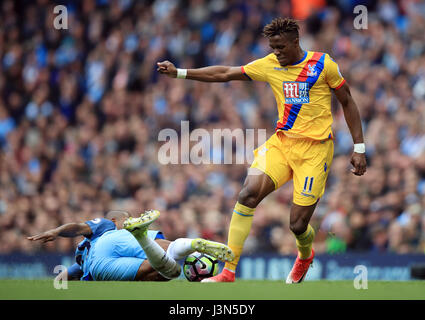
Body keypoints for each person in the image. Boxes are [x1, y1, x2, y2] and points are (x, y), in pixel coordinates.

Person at [156, 17, 367, 283]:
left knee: (298, 225)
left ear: (295, 42)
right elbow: (225, 73)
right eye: (272, 47)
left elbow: (347, 101)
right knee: (247, 194)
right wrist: (180, 73)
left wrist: (359, 147)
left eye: (280, 47)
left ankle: (304, 255)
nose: (275, 52)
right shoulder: (269, 65)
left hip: (315, 151)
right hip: (282, 143)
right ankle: (229, 272)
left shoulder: (323, 64)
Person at [27, 210, 234, 281]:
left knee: (163, 273)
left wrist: (56, 232)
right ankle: (190, 244)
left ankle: (142, 236)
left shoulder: (82, 260)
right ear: (117, 221)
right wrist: (57, 231)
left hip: (97, 266)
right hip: (112, 244)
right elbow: (79, 228)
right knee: (166, 250)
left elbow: (65, 276)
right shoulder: (108, 225)